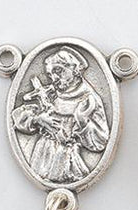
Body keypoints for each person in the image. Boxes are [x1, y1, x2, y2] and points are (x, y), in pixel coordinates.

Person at [12, 46, 109, 183]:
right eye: (50, 74)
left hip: (68, 160)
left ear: (75, 69)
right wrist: (38, 119)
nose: (54, 78)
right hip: (41, 158)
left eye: (58, 71)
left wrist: (83, 121)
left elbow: (100, 143)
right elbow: (17, 118)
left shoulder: (89, 100)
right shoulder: (50, 94)